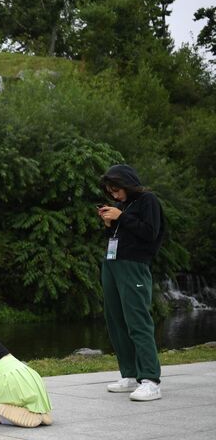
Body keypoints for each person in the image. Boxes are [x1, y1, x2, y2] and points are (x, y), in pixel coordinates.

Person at [97, 164, 165, 401]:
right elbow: (121, 235)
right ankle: (130, 374)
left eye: (116, 190)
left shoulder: (148, 201)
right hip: (112, 264)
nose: (114, 195)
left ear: (127, 183)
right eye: (110, 191)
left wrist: (121, 217)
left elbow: (150, 233)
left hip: (134, 266)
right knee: (116, 321)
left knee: (138, 321)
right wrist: (110, 224)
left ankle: (150, 380)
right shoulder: (123, 206)